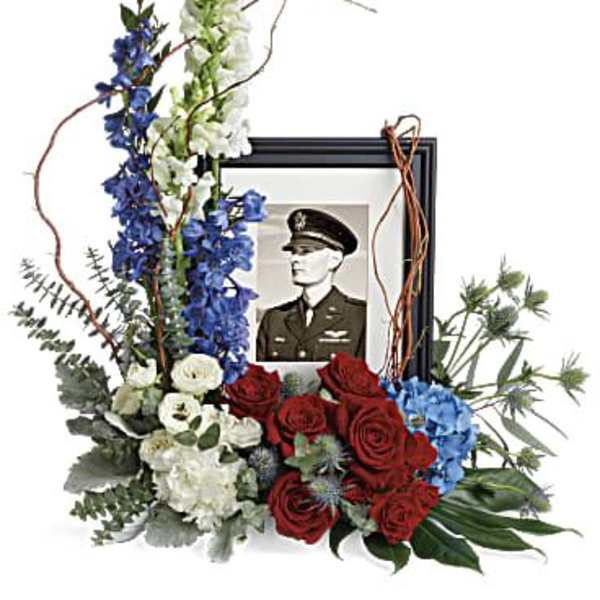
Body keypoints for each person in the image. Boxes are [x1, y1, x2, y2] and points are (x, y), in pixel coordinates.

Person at [256, 208, 366, 362]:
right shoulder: (274, 319)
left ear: (334, 259)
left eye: (306, 251)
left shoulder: (360, 317)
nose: (294, 259)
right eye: (293, 252)